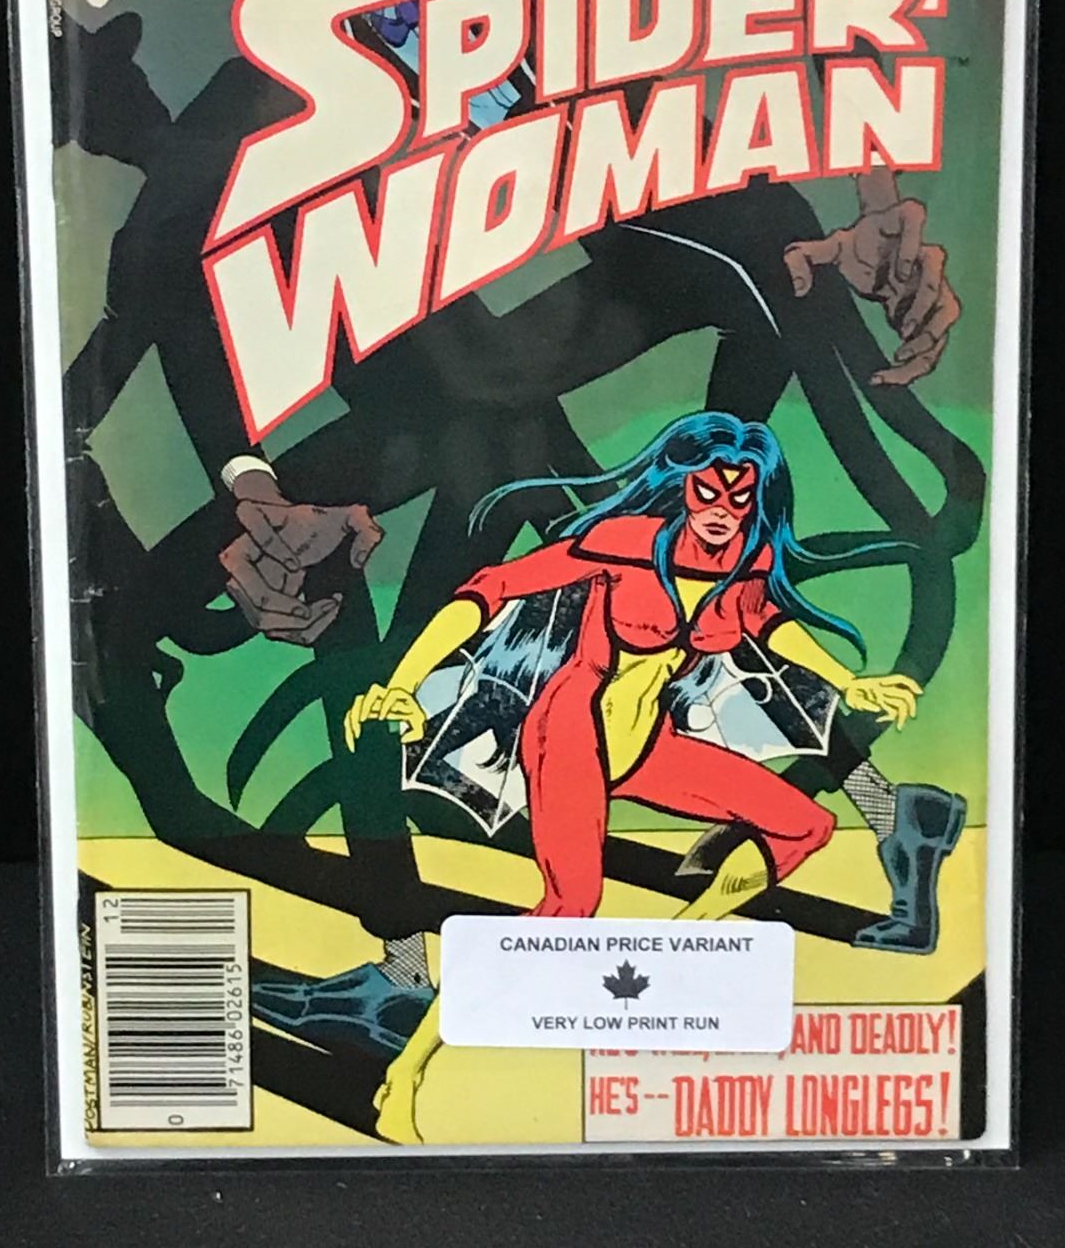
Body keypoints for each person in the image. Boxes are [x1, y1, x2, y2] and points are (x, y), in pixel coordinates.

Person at [345, 412, 920, 1142]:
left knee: (804, 825)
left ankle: (677, 945)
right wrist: (402, 684)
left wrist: (850, 682)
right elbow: (489, 590)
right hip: (568, 734)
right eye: (708, 492)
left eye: (739, 497)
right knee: (570, 906)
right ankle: (408, 1071)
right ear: (683, 486)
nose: (721, 511)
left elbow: (768, 622)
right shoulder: (623, 545)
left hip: (649, 744)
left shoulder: (743, 562)